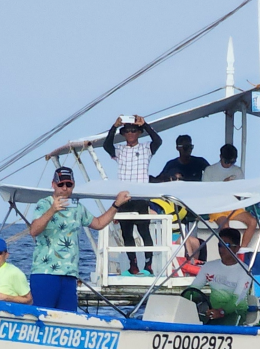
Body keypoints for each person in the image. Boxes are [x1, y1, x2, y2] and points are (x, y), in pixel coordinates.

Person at [28, 167, 131, 311]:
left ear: (73, 185)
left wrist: (116, 205)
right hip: (45, 273)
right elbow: (34, 230)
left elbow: (98, 223)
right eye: (61, 184)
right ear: (53, 185)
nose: (64, 188)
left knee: (68, 318)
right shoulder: (44, 204)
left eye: (68, 185)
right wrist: (52, 210)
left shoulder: (77, 207)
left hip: (70, 274)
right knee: (41, 316)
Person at [103, 115, 162, 275]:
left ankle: (148, 264)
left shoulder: (146, 148)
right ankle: (133, 264)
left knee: (144, 231)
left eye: (134, 130)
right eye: (127, 131)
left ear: (139, 132)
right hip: (124, 198)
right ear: (123, 134)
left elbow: (158, 141)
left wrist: (146, 124)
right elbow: (106, 145)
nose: (130, 133)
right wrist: (114, 126)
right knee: (126, 232)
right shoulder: (120, 150)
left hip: (141, 197)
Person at [183, 227, 252, 326]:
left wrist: (221, 312)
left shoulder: (245, 271)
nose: (221, 249)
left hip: (236, 317)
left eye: (226, 245)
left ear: (237, 248)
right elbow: (193, 289)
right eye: (220, 245)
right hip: (213, 316)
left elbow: (237, 300)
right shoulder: (209, 266)